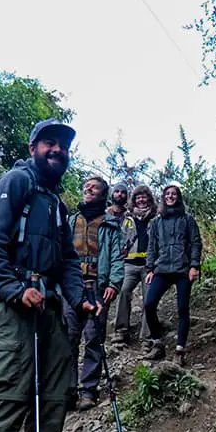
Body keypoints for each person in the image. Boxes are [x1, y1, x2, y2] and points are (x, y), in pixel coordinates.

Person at [0, 119, 99, 432]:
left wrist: (80, 298)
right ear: (33, 149)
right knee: (6, 397)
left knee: (52, 402)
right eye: (49, 143)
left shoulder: (57, 203)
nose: (58, 149)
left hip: (50, 311)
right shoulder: (16, 182)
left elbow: (68, 261)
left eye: (64, 145)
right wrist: (15, 289)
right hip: (15, 311)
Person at [64, 175, 124, 411]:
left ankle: (88, 390)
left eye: (94, 187)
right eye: (86, 186)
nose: (88, 189)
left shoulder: (110, 225)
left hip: (98, 287)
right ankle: (67, 391)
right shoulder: (71, 221)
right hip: (72, 287)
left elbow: (118, 256)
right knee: (68, 338)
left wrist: (114, 283)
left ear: (102, 194)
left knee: (93, 338)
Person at [143, 184, 202, 366]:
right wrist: (150, 269)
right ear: (163, 197)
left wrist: (194, 266)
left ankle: (179, 350)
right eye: (167, 194)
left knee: (182, 309)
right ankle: (158, 343)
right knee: (149, 304)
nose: (170, 196)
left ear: (179, 197)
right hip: (161, 269)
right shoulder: (156, 222)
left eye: (174, 194)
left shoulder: (188, 220)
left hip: (183, 270)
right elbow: (152, 247)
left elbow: (195, 243)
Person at [111, 184, 157, 351]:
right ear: (134, 200)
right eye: (138, 197)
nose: (141, 199)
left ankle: (146, 337)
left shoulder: (156, 218)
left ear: (149, 199)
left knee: (149, 299)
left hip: (148, 266)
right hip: (129, 264)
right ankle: (121, 331)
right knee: (123, 292)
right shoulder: (126, 218)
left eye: (144, 197)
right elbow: (119, 239)